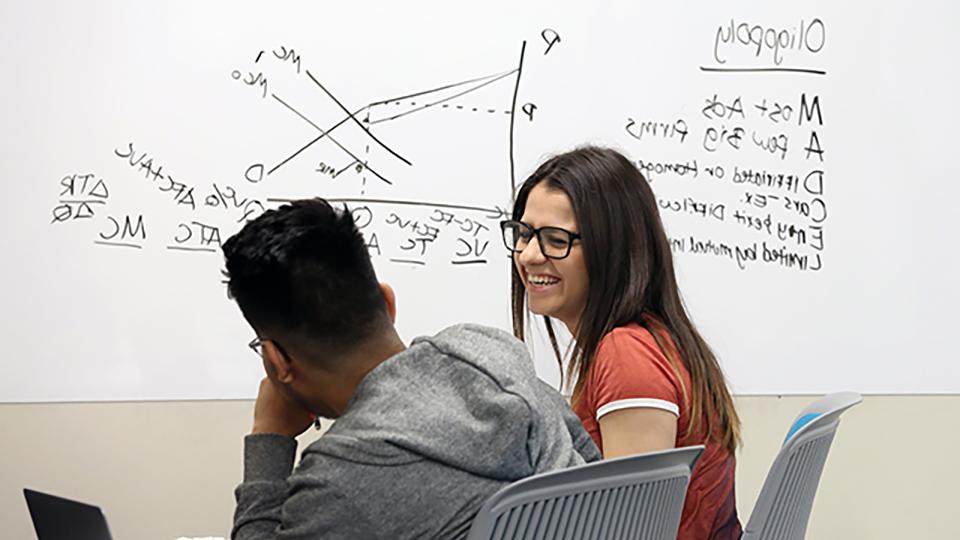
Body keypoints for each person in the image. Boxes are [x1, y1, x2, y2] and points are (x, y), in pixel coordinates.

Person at [222, 198, 599, 540]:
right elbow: (599, 474)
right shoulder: (492, 358)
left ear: (277, 361)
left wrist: (268, 436)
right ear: (388, 303)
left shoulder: (337, 483)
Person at [500, 146, 743, 539]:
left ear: (612, 249)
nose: (528, 254)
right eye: (524, 234)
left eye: (555, 239)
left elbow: (633, 531)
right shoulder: (650, 339)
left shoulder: (627, 355)